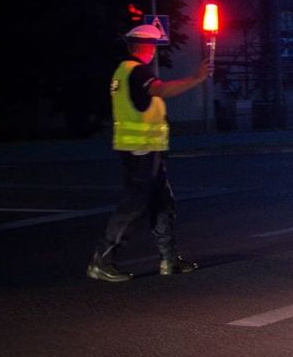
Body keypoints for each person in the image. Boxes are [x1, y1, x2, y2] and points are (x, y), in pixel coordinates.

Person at [86, 23, 212, 282]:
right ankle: (102, 261)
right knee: (134, 206)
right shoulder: (136, 71)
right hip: (140, 151)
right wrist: (195, 78)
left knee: (162, 203)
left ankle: (169, 260)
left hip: (146, 150)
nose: (155, 51)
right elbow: (160, 89)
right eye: (154, 46)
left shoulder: (124, 71)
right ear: (145, 46)